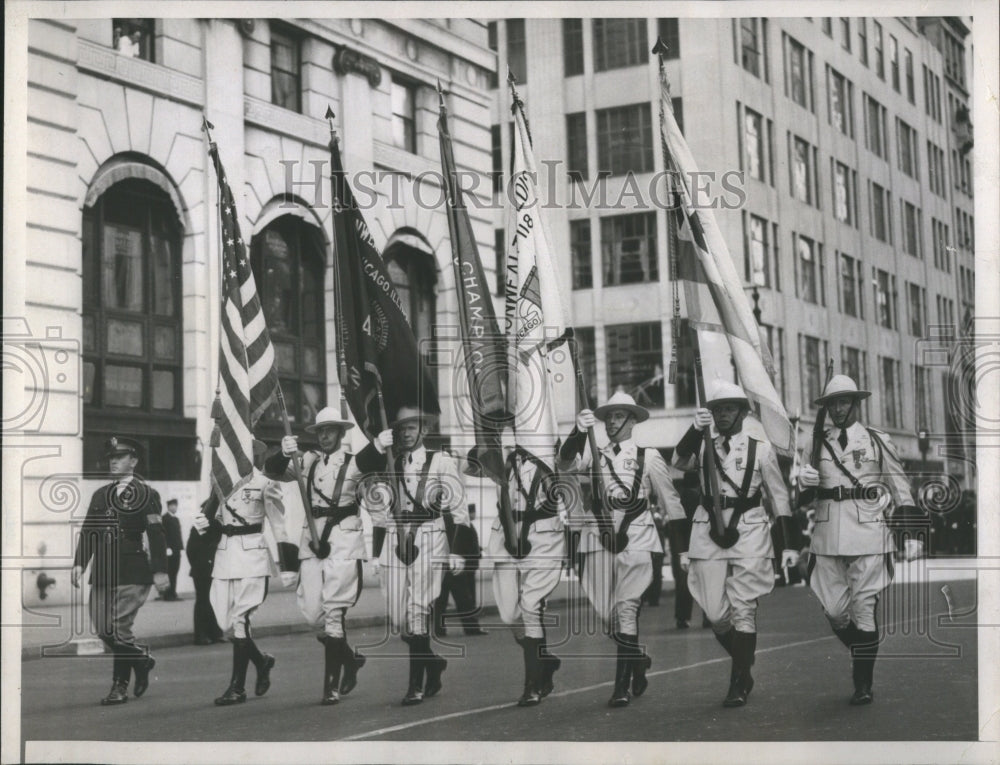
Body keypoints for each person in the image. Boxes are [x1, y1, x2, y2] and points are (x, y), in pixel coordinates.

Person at [797, 374, 926, 705]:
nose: (838, 409)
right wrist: (803, 482)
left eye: (844, 402)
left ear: (856, 403)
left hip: (869, 533)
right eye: (832, 404)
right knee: (835, 611)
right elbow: (802, 499)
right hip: (827, 536)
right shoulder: (814, 443)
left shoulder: (875, 439)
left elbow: (899, 487)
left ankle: (862, 682)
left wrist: (910, 535)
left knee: (863, 608)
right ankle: (863, 651)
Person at [672, 381, 800, 708]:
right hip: (708, 529)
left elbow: (780, 497)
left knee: (744, 609)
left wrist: (788, 543)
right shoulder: (703, 444)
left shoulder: (761, 448)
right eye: (717, 409)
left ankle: (739, 680)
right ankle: (745, 660)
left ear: (743, 412)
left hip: (749, 527)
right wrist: (693, 428)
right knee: (715, 613)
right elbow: (678, 462)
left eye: (730, 408)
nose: (723, 414)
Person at [559, 391, 686, 708]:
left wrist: (683, 548)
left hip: (637, 537)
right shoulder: (593, 454)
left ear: (633, 421)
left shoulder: (648, 456)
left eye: (619, 416)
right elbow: (563, 463)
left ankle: (621, 687)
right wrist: (576, 432)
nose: (612, 422)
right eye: (609, 416)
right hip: (598, 536)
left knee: (627, 610)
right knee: (609, 616)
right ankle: (638, 659)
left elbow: (672, 503)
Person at [267, 407, 390, 705]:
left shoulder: (353, 463)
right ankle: (350, 660)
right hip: (312, 541)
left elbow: (373, 472)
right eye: (320, 431)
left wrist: (379, 444)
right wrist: (284, 453)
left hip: (343, 543)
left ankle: (331, 687)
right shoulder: (307, 461)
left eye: (330, 430)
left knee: (334, 614)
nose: (324, 436)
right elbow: (271, 471)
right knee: (312, 614)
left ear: (341, 433)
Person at [372, 406, 468, 706]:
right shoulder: (391, 462)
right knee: (398, 617)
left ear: (423, 430)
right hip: (395, 537)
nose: (406, 432)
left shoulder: (440, 461)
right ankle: (434, 662)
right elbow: (379, 508)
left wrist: (458, 550)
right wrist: (377, 553)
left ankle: (415, 685)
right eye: (402, 428)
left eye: (412, 427)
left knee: (418, 610)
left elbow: (459, 507)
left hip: (429, 535)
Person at [192, 439, 298, 706]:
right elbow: (218, 524)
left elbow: (279, 525)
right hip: (225, 557)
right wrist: (205, 525)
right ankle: (262, 662)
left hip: (252, 557)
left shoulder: (265, 484)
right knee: (225, 621)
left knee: (240, 621)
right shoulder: (221, 484)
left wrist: (287, 565)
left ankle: (237, 688)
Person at [71, 437, 169, 705]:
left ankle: (119, 686)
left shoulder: (147, 494)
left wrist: (160, 570)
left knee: (119, 628)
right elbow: (89, 531)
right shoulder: (100, 495)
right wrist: (80, 563)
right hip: (103, 570)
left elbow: (156, 533)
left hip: (132, 569)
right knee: (103, 629)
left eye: (120, 457)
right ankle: (140, 658)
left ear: (133, 461)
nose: (113, 462)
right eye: (111, 458)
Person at [486, 444, 567, 707]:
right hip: (505, 537)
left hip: (543, 537)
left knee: (531, 606)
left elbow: (568, 473)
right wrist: (488, 443)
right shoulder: (502, 457)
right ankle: (544, 660)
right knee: (509, 614)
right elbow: (471, 465)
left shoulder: (549, 455)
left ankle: (532, 684)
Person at [434, 503, 487, 638]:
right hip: (454, 564)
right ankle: (471, 628)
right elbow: (464, 543)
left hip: (440, 565)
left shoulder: (437, 522)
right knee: (464, 599)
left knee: (440, 601)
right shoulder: (458, 522)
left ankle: (439, 630)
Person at [186, 504, 224, 645]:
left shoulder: (217, 527)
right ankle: (200, 635)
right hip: (201, 571)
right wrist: (199, 565)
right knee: (203, 602)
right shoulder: (198, 528)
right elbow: (191, 550)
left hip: (215, 570)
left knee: (215, 602)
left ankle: (216, 633)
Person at [161, 499, 184, 601]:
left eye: (176, 505)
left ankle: (173, 593)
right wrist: (167, 547)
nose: (174, 507)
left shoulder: (176, 519)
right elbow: (163, 534)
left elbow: (177, 535)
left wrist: (180, 547)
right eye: (172, 505)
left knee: (175, 572)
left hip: (176, 550)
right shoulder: (165, 518)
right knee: (170, 572)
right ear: (168, 506)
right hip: (169, 550)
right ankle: (168, 594)